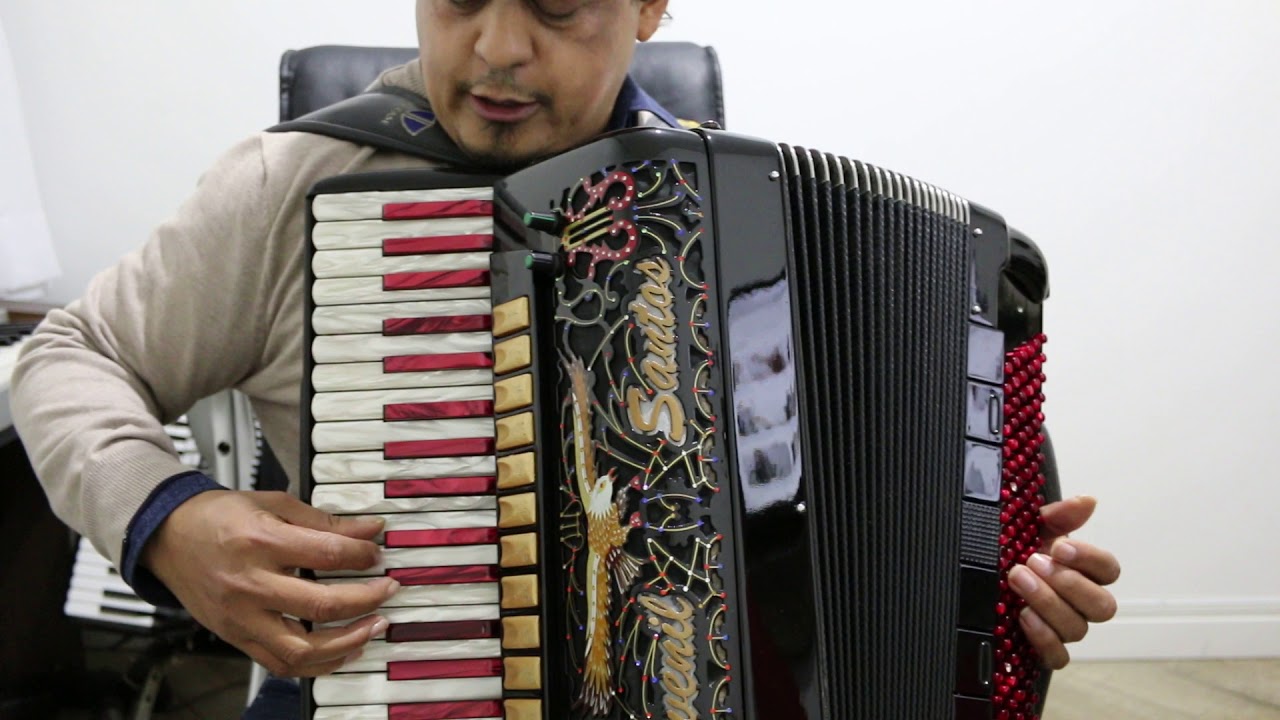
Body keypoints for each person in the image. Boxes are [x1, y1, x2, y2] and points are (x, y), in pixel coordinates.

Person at [10, 0, 1121, 716]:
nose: (495, 46)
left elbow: (876, 552)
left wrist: (1001, 591)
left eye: (556, 6)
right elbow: (73, 353)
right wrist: (164, 516)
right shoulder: (293, 187)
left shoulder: (752, 227)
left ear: (648, 7)